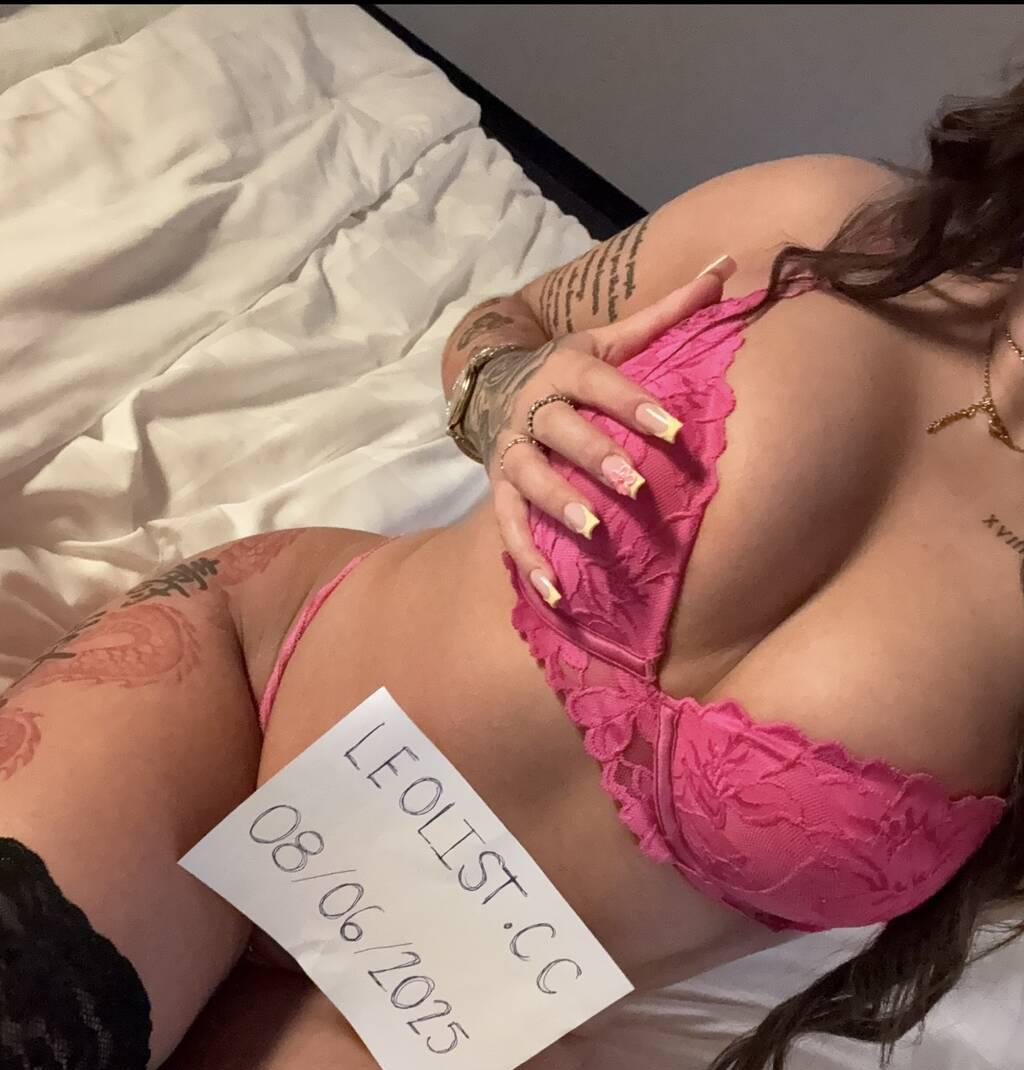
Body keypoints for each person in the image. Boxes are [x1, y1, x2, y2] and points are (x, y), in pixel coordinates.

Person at [3, 70, 1024, 1070]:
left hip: (440, 1006)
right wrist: (507, 390)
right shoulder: (829, 223)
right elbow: (506, 321)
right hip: (245, 711)